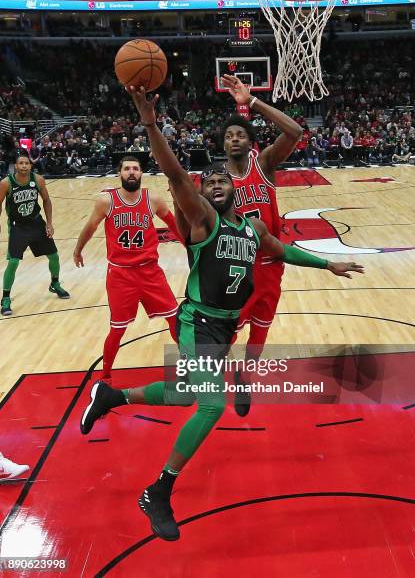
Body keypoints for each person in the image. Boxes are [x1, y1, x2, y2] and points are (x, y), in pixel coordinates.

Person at [79, 85, 364, 542]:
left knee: (183, 396)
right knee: (211, 404)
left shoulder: (251, 228)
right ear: (202, 193)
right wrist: (150, 123)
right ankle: (159, 490)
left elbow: (283, 250)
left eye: (221, 182)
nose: (214, 185)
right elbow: (173, 173)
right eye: (207, 182)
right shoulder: (202, 221)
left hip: (224, 327)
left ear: (234, 187)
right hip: (198, 320)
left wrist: (328, 263)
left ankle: (113, 398)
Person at [219, 74, 303, 416]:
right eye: (228, 136)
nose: (235, 139)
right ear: (222, 145)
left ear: (251, 142)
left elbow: (295, 132)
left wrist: (252, 102)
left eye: (241, 134)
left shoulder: (264, 163)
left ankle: (245, 377)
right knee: (227, 333)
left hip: (271, 265)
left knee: (261, 331)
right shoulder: (216, 181)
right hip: (237, 268)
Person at [73, 155, 179, 385]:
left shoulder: (153, 199)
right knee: (117, 329)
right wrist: (78, 249)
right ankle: (106, 375)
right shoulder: (106, 201)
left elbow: (173, 225)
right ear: (119, 174)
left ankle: (190, 365)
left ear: (142, 173)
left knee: (175, 319)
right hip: (121, 275)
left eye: (136, 169)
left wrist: (193, 245)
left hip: (150, 271)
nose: (131, 172)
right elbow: (90, 227)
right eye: (127, 169)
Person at [0, 154, 70, 316]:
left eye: (27, 163)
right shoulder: (6, 183)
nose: (24, 165)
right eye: (21, 163)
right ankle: (5, 298)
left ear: (31, 166)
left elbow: (46, 200)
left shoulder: (38, 180)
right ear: (15, 166)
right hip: (18, 227)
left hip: (37, 223)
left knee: (54, 256)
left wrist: (49, 223)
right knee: (13, 262)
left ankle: (55, 284)